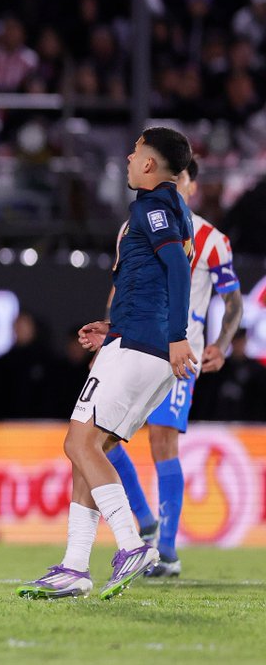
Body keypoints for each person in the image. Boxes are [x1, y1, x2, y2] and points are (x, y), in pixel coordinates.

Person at [17, 127, 196, 601]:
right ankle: (75, 567)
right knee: (89, 451)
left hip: (142, 346)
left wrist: (176, 335)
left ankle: (132, 545)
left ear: (150, 164)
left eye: (136, 152)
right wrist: (113, 327)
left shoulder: (152, 205)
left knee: (77, 442)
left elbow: (177, 268)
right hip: (143, 344)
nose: (129, 158)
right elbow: (155, 280)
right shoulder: (176, 209)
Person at [105, 159, 242, 578]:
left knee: (162, 441)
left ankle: (166, 551)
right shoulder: (134, 225)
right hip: (133, 345)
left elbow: (233, 301)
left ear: (191, 186)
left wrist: (222, 343)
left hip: (180, 355)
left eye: (179, 178)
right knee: (103, 439)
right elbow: (119, 288)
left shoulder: (212, 239)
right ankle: (146, 520)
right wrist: (109, 337)